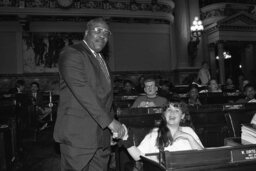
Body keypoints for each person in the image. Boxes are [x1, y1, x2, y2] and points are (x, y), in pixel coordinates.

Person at [53, 18, 127, 171]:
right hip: (78, 136)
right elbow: (82, 91)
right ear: (86, 33)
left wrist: (108, 132)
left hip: (101, 139)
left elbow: (105, 99)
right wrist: (110, 122)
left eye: (106, 33)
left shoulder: (101, 60)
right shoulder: (72, 53)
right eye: (97, 31)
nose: (102, 36)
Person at [126, 101, 203, 163]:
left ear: (182, 116)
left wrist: (189, 137)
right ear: (164, 114)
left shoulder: (188, 131)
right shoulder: (154, 134)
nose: (172, 113)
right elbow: (138, 157)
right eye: (169, 110)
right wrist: (125, 140)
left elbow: (203, 156)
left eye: (176, 110)